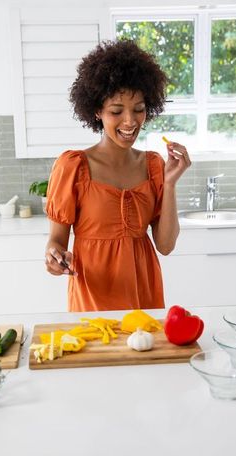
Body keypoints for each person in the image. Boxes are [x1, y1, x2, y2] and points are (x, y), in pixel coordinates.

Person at [44, 39, 191, 312]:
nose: (130, 122)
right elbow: (56, 242)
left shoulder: (154, 166)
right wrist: (54, 258)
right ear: (97, 111)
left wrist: (170, 184)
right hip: (93, 297)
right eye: (116, 111)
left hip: (145, 297)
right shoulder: (73, 166)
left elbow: (166, 245)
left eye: (139, 109)